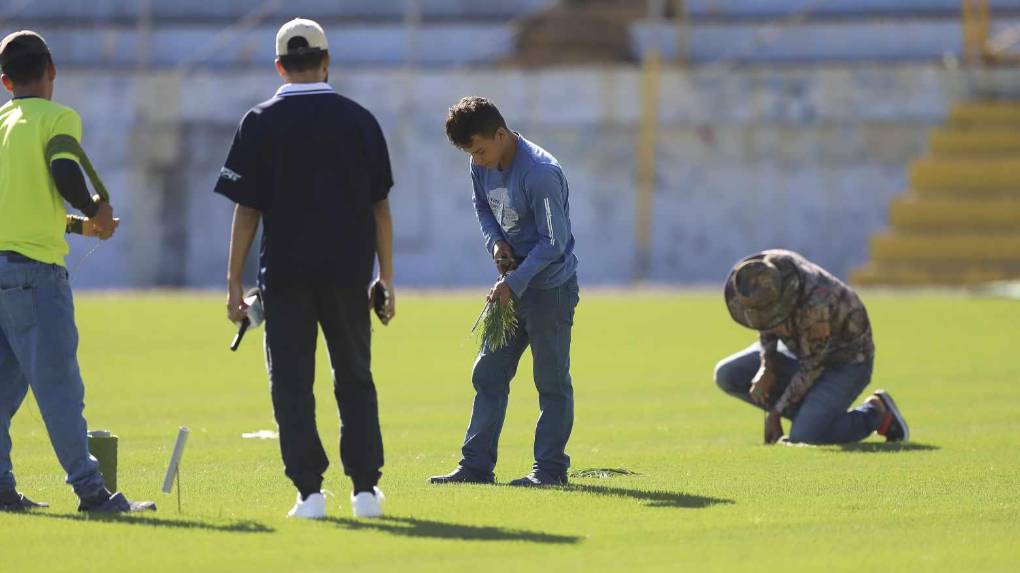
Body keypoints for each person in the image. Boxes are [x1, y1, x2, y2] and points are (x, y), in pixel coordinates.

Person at [214, 19, 395, 519]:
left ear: (278, 65)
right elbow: (380, 207)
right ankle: (364, 492)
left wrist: (233, 283)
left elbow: (246, 211)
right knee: (355, 378)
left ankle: (310, 494)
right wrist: (388, 278)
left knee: (291, 383)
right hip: (348, 275)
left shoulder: (259, 120)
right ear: (326, 59)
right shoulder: (360, 120)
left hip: (286, 278)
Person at [0, 31, 154, 513]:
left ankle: (1, 488)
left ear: (5, 81)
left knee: (3, 389)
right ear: (51, 71)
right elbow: (64, 169)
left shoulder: (2, 121)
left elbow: (18, 204)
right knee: (60, 387)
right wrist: (94, 208)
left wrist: (78, 226)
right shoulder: (59, 117)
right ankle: (92, 491)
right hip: (35, 275)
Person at [430, 97, 580, 487]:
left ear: (501, 134)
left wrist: (512, 283)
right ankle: (476, 467)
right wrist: (496, 244)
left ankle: (550, 471)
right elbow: (482, 208)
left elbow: (554, 242)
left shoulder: (541, 172)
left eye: (480, 150)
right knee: (488, 374)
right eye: (470, 153)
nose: (477, 160)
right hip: (511, 289)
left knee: (551, 382)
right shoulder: (479, 163)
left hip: (549, 291)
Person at [715, 249, 909, 445]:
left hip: (846, 362)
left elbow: (812, 366)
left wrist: (775, 413)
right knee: (727, 374)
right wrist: (767, 365)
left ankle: (876, 413)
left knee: (807, 437)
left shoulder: (816, 303)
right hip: (799, 352)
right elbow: (764, 323)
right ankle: (810, 416)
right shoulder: (767, 271)